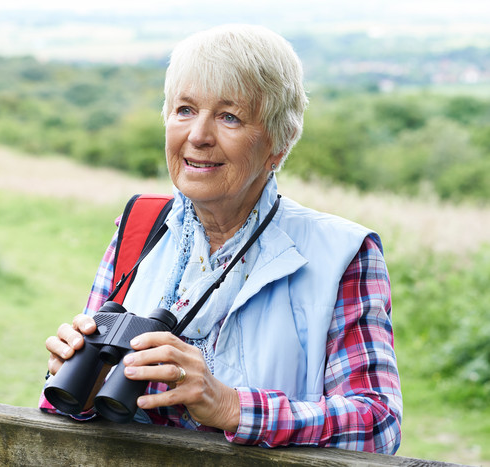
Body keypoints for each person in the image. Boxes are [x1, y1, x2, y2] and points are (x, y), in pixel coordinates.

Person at [41, 24, 402, 454]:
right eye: (185, 110)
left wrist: (231, 406)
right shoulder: (140, 226)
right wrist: (74, 380)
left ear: (278, 145)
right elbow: (67, 409)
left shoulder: (343, 254)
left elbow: (378, 423)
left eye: (229, 117)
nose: (198, 136)